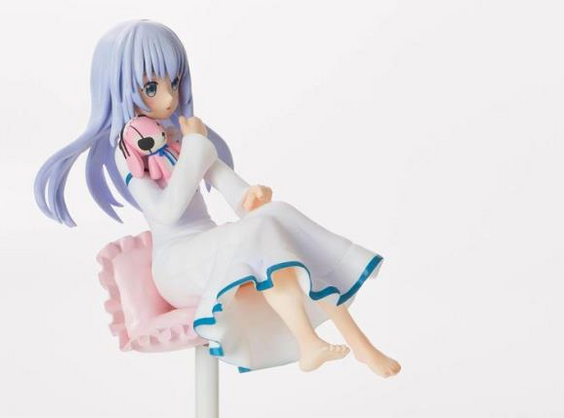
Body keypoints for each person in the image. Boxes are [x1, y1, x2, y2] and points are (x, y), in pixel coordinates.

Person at [35, 19, 401, 377]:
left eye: (174, 82)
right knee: (262, 232)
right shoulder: (129, 149)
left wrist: (250, 196)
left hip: (211, 246)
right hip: (177, 266)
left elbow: (232, 191)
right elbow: (166, 211)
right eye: (152, 87)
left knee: (278, 215)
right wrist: (195, 148)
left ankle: (354, 344)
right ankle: (310, 342)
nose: (169, 97)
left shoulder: (180, 137)